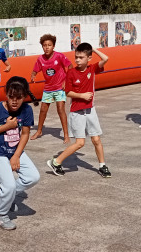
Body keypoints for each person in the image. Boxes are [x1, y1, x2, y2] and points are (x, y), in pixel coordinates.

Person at [0, 76, 41, 231]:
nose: (15, 101)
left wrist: (16, 156)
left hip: (15, 150)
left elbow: (25, 134)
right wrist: (7, 126)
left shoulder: (27, 110)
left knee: (33, 177)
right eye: (11, 97)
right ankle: (0, 215)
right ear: (5, 93)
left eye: (19, 98)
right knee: (8, 186)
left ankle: (5, 194)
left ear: (25, 96)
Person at [47, 43, 111, 177]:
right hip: (77, 112)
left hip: (90, 111)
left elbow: (106, 58)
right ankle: (56, 161)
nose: (77, 60)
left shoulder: (92, 69)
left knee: (96, 140)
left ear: (89, 58)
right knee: (80, 143)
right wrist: (81, 96)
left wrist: (93, 49)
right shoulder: (71, 72)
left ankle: (102, 166)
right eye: (76, 57)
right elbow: (67, 92)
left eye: (81, 57)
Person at [30, 34, 72, 144]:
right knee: (43, 109)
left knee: (60, 109)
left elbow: (71, 67)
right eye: (44, 45)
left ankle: (66, 134)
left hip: (59, 88)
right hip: (48, 88)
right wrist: (33, 75)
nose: (47, 47)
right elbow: (35, 70)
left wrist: (66, 81)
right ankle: (39, 131)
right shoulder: (40, 59)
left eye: (49, 45)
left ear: (53, 46)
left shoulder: (59, 56)